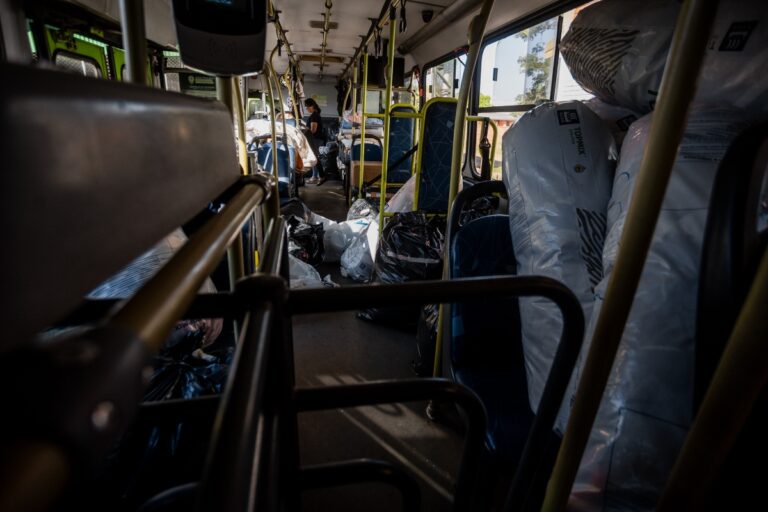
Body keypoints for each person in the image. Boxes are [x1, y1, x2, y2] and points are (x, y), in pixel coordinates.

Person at [304, 98, 326, 185]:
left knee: (314, 157)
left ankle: (319, 176)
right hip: (316, 139)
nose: (306, 109)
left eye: (307, 107)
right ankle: (315, 176)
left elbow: (313, 130)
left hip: (315, 139)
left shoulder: (314, 116)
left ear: (312, 106)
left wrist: (305, 129)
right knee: (314, 157)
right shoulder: (315, 115)